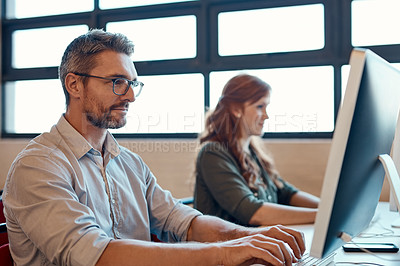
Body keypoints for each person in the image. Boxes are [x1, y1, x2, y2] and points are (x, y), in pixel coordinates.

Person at [2, 29, 306, 266]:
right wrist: (225, 254)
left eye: (133, 83)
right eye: (117, 82)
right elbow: (95, 256)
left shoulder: (130, 164)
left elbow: (185, 221)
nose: (131, 96)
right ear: (74, 85)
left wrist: (251, 237)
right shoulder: (38, 166)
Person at [194, 74, 319, 227]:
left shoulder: (252, 152)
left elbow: (286, 193)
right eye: (260, 107)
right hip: (228, 248)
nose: (266, 116)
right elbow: (252, 212)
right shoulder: (213, 153)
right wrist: (321, 216)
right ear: (235, 109)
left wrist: (327, 208)